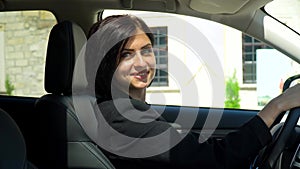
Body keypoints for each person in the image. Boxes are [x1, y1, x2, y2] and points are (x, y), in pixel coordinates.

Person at [83, 14, 300, 169]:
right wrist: (277, 106)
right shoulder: (122, 118)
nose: (141, 63)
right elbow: (216, 160)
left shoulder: (121, 110)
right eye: (126, 55)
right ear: (105, 64)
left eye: (146, 50)